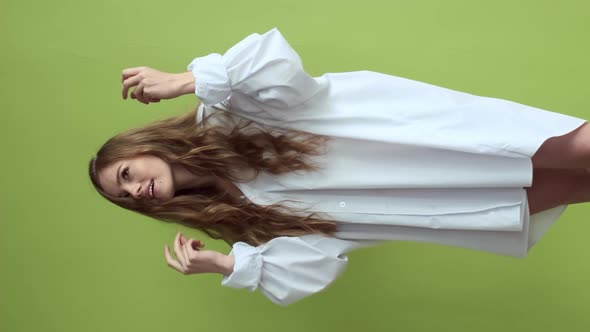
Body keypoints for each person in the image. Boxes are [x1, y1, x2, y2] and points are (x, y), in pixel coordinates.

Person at [89, 27, 590, 306]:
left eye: (126, 175)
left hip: (420, 136)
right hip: (430, 201)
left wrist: (187, 79)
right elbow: (318, 262)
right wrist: (227, 263)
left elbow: (281, 70)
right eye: (123, 196)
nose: (134, 191)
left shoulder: (225, 112)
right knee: (579, 185)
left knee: (574, 149)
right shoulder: (235, 217)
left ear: (142, 146)